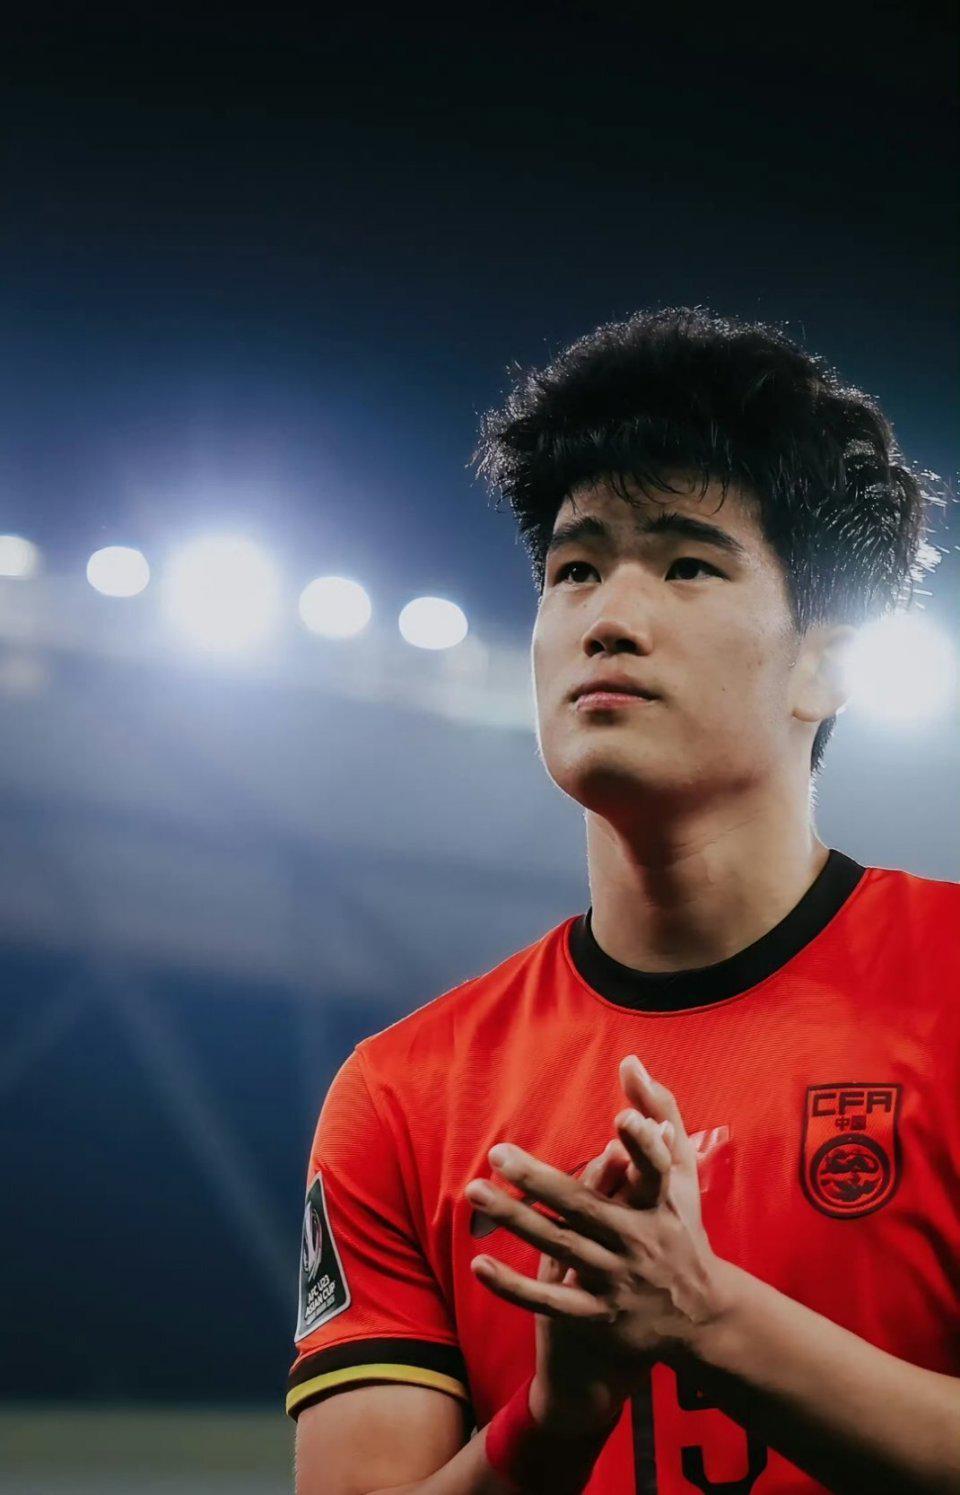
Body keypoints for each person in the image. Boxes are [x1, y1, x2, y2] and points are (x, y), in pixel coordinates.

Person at [288, 306, 959, 1494]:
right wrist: (555, 1420)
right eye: (576, 569)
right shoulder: (401, 1096)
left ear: (825, 662)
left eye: (688, 564)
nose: (607, 617)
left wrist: (707, 1318)